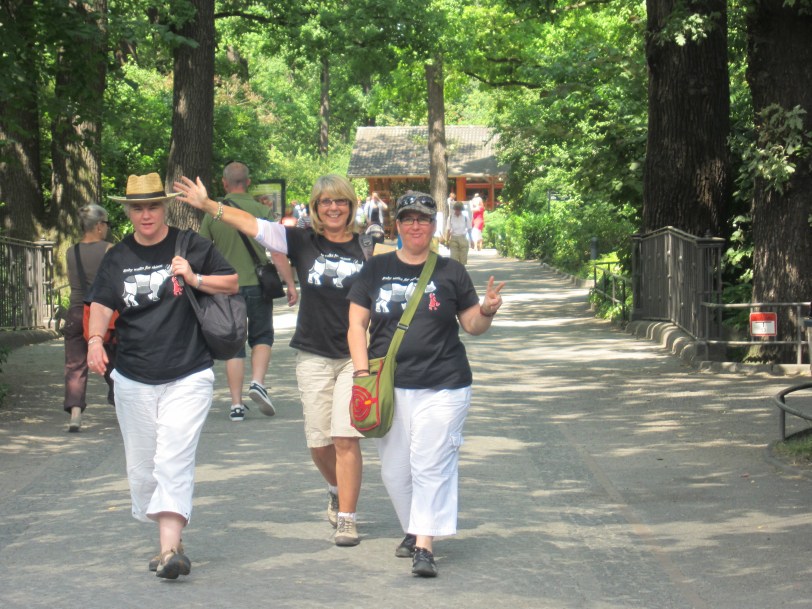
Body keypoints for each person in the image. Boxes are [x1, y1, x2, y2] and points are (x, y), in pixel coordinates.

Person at [174, 173, 368, 547]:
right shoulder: (300, 240)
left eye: (340, 201)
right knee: (319, 442)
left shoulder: (367, 246)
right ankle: (334, 487)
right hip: (312, 352)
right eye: (326, 202)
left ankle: (347, 517)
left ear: (351, 206)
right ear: (315, 208)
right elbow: (253, 225)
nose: (333, 208)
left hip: (353, 356)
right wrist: (210, 206)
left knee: (346, 438)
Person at [86, 172, 239, 579]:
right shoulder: (116, 257)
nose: (146, 214)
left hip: (188, 372)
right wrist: (95, 340)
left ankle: (170, 551)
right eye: (138, 208)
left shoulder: (190, 245)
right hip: (133, 375)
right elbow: (101, 303)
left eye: (153, 206)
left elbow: (232, 282)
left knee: (173, 457)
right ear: (129, 212)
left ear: (165, 207)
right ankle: (168, 541)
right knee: (142, 469)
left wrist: (194, 278)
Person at [347, 191, 505, 578]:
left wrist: (486, 310)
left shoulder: (451, 271)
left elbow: (472, 326)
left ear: (434, 226)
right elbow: (355, 325)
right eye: (408, 219)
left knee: (429, 463)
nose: (415, 225)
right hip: (391, 386)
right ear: (396, 226)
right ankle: (415, 527)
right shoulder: (375, 269)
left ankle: (424, 547)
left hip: (444, 384)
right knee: (395, 471)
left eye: (422, 219)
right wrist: (362, 374)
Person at [199, 161, 297, 421]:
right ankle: (257, 382)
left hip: (225, 288)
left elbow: (203, 252)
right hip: (257, 284)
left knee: (234, 343)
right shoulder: (261, 211)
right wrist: (289, 283)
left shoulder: (212, 214)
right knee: (262, 335)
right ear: (249, 182)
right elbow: (277, 252)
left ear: (224, 183)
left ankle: (236, 404)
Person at [63, 204, 115, 432]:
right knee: (113, 360)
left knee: (75, 364)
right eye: (107, 224)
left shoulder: (70, 252)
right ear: (99, 226)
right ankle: (120, 401)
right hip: (101, 314)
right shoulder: (110, 250)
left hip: (75, 311)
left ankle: (75, 414)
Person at [445, 201, 472, 265]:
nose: (458, 211)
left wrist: (472, 240)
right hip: (454, 238)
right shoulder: (450, 217)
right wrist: (447, 241)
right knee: (453, 259)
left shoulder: (465, 218)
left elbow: (469, 229)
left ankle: (461, 273)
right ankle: (454, 273)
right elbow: (448, 230)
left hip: (463, 238)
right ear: (454, 209)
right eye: (456, 209)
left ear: (461, 210)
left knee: (463, 260)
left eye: (459, 210)